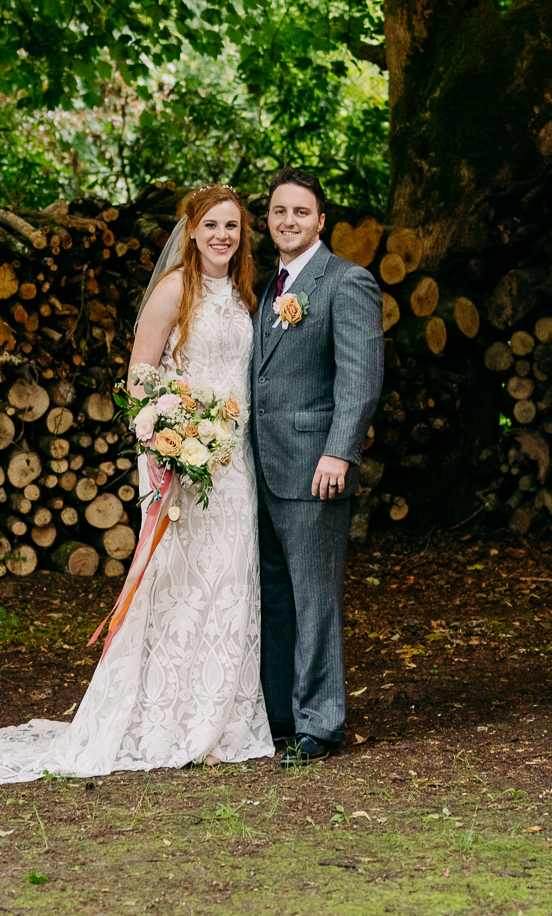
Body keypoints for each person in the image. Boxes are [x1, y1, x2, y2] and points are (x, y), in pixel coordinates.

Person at [0, 185, 273, 783]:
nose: (222, 236)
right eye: (211, 224)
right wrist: (170, 441)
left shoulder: (240, 296)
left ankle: (223, 723)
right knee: (180, 588)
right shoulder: (173, 291)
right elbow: (140, 379)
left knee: (232, 584)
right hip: (186, 463)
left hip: (235, 467)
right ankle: (172, 723)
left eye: (232, 226)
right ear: (191, 229)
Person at [251, 168, 384, 768]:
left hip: (314, 467)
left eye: (300, 212)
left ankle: (320, 723)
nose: (288, 221)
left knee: (315, 600)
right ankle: (279, 716)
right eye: (279, 212)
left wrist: (339, 451)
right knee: (275, 599)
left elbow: (360, 378)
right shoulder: (268, 288)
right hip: (260, 469)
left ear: (321, 221)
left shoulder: (346, 282)